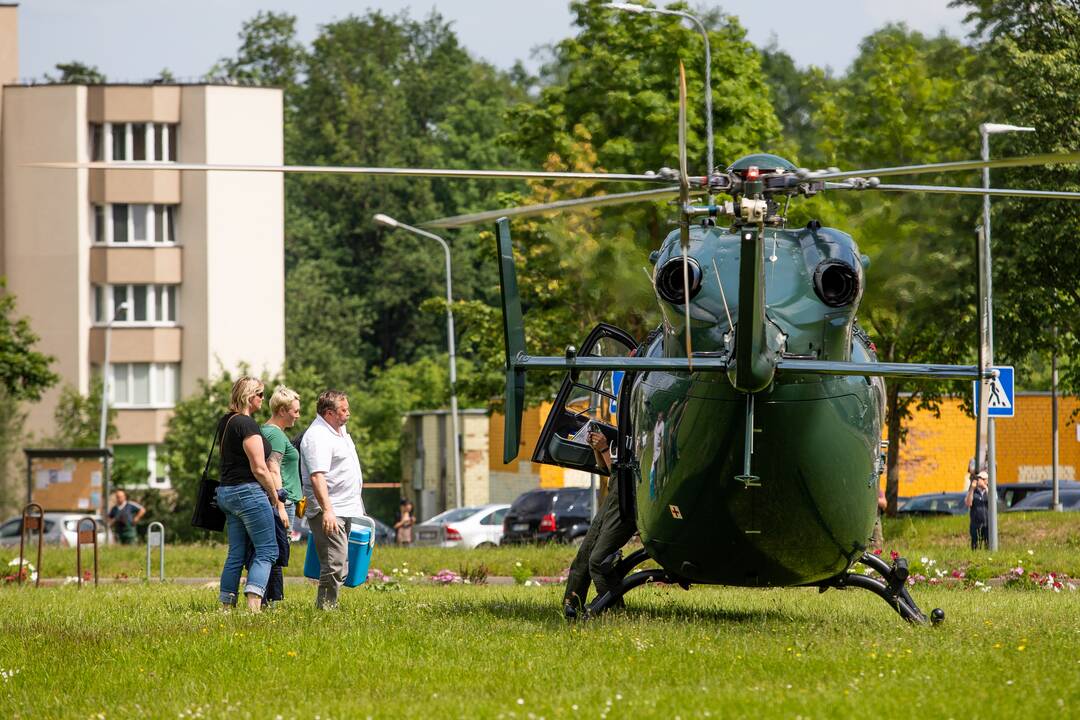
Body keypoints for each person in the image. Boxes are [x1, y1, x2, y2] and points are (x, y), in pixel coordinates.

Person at [215, 376, 282, 612]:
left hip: (226, 493)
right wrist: (274, 495)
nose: (263, 399)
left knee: (236, 552)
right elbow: (259, 468)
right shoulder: (247, 424)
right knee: (267, 550)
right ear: (249, 396)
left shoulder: (226, 421)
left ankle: (225, 606)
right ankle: (254, 606)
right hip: (248, 493)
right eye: (261, 394)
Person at [563, 424, 637, 620]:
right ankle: (571, 606)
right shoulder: (624, 434)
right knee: (583, 557)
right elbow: (608, 469)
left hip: (624, 507)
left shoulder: (641, 437)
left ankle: (614, 610)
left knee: (597, 560)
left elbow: (624, 476)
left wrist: (604, 448)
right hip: (612, 502)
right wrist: (598, 449)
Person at [300, 389, 366, 610]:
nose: (348, 414)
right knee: (334, 563)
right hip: (330, 509)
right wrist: (327, 510)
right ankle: (325, 610)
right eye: (343, 410)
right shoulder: (317, 436)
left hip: (345, 507)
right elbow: (317, 476)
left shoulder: (339, 430)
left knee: (341, 563)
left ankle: (329, 605)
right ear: (329, 413)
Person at [243, 385, 302, 605]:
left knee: (272, 548)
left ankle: (269, 599)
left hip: (282, 499)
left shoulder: (268, 431)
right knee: (276, 550)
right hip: (281, 500)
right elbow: (273, 468)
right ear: (282, 411)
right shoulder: (275, 435)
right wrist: (279, 502)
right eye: (295, 411)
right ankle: (272, 600)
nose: (298, 415)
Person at [965, 470, 990, 550]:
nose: (980, 480)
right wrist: (972, 488)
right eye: (979, 478)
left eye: (982, 479)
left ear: (987, 480)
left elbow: (994, 501)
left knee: (988, 545)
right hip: (975, 524)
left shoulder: (989, 490)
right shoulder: (973, 491)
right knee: (975, 545)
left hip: (987, 524)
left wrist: (986, 487)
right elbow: (968, 503)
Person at [870, 487, 886, 551]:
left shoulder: (877, 489)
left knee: (878, 540)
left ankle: (876, 556)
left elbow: (884, 504)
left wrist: (873, 498)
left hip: (875, 518)